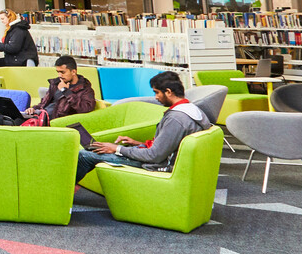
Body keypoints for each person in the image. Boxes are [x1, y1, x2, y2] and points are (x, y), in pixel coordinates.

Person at [78, 72, 212, 181]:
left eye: (157, 92)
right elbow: (168, 145)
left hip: (159, 165)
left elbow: (154, 156)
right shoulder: (193, 110)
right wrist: (137, 143)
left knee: (84, 155)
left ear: (169, 92)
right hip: (164, 158)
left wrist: (117, 148)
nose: (156, 97)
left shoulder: (176, 119)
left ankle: (65, 193)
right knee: (97, 149)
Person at [23, 56, 96, 123]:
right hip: (41, 116)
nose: (60, 75)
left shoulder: (85, 89)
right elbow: (43, 103)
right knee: (15, 120)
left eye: (63, 72)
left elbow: (85, 109)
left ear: (73, 72)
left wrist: (66, 91)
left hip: (55, 121)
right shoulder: (55, 84)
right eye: (58, 72)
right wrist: (33, 109)